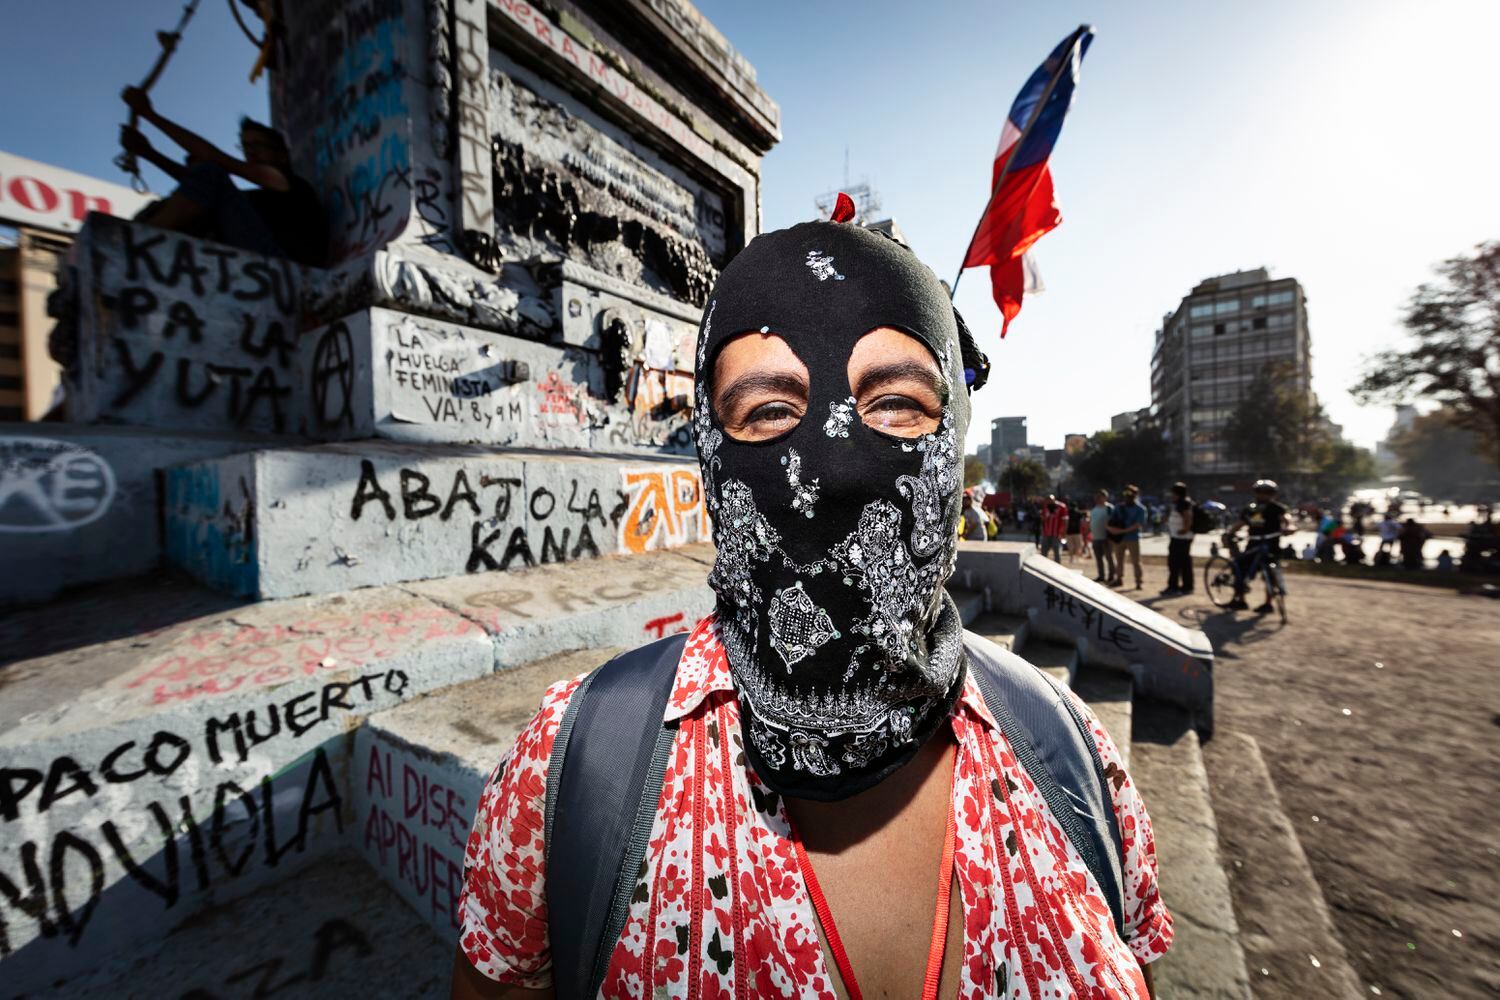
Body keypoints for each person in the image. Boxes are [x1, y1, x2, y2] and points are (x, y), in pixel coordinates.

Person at [451, 218, 1171, 999]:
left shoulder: (1073, 758)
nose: (830, 469)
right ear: (708, 455)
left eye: (897, 403)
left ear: (953, 439)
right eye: (765, 412)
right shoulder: (565, 775)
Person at [120, 87, 327, 266]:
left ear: (281, 155)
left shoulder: (284, 182)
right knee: (190, 197)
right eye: (245, 146)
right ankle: (147, 236)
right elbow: (198, 191)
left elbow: (213, 161)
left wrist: (149, 114)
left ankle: (139, 240)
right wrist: (149, 153)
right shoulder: (261, 201)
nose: (250, 152)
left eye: (257, 145)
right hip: (268, 259)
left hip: (285, 264)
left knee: (209, 173)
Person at [1228, 479, 1290, 613]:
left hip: (1271, 546)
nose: (1263, 495)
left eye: (1267, 493)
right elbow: (1240, 524)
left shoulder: (1277, 508)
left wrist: (1290, 528)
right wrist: (1229, 534)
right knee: (1240, 568)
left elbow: (1287, 520)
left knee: (1270, 574)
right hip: (1253, 544)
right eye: (1260, 492)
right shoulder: (1250, 508)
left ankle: (1268, 603)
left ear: (1273, 494)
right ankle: (1240, 599)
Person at [1108, 485, 1146, 589]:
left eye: (1130, 495)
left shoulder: (1140, 509)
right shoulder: (1118, 507)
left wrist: (1122, 531)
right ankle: (1119, 579)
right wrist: (1111, 530)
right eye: (1126, 494)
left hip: (1132, 538)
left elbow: (1138, 525)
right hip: (1119, 539)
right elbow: (1110, 521)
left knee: (1136, 561)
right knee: (1119, 560)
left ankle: (1138, 581)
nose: (1128, 497)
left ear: (1135, 495)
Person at [1162, 482, 1195, 596]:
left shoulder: (1183, 503)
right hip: (1181, 537)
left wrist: (1185, 529)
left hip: (1181, 538)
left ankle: (1174, 586)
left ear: (1177, 493)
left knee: (1174, 562)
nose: (1172, 495)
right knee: (1184, 562)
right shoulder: (1182, 502)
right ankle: (1186, 586)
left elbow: (1187, 517)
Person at [1090, 490, 1116, 583]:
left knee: (1109, 557)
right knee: (1098, 558)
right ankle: (1101, 576)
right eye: (1097, 497)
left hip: (1107, 538)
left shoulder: (1110, 508)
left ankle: (1112, 575)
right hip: (1096, 537)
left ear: (1105, 497)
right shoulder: (1094, 509)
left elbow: (1115, 522)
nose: (1098, 499)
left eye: (1100, 497)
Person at [1040, 493, 1068, 561]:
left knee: (1057, 551)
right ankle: (1043, 564)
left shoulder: (1061, 507)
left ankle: (1057, 565)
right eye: (1048, 500)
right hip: (1046, 533)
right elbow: (1042, 519)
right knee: (1044, 550)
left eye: (1050, 500)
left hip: (1057, 533)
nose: (1049, 501)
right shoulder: (1046, 507)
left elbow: (1065, 520)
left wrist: (1064, 532)